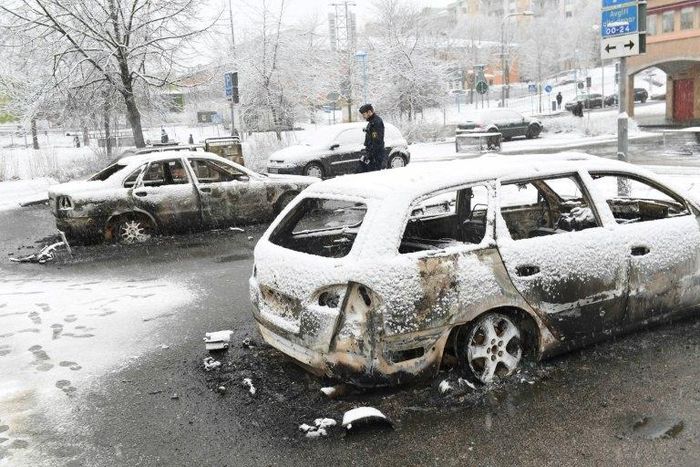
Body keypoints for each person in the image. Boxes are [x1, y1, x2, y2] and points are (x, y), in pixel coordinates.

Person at [358, 104, 385, 173]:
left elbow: (377, 140)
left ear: (369, 112)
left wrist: (370, 154)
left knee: (373, 174)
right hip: (371, 153)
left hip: (375, 155)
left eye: (364, 114)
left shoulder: (376, 122)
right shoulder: (371, 122)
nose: (363, 116)